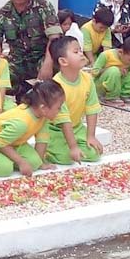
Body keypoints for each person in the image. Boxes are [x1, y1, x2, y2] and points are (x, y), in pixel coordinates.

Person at [0, 0, 62, 88]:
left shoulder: (44, 7)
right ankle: (21, 92)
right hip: (16, 62)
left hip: (42, 58)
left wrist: (47, 65)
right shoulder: (2, 14)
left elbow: (55, 38)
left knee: (57, 74)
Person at [0, 80, 64, 177]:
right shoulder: (22, 123)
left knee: (35, 163)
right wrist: (21, 162)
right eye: (58, 107)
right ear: (43, 108)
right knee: (5, 169)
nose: (60, 111)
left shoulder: (43, 116)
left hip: (14, 142)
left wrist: (41, 163)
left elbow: (42, 139)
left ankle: (10, 158)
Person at [47, 36, 103, 165]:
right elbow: (64, 119)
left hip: (76, 127)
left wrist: (91, 136)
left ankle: (72, 144)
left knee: (94, 154)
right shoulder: (57, 85)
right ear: (63, 61)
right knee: (66, 158)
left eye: (81, 50)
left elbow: (92, 109)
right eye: (76, 52)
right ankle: (48, 150)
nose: (81, 54)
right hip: (55, 129)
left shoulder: (87, 79)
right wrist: (73, 147)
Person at [92, 36, 130, 104]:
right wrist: (114, 69)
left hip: (118, 83)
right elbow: (94, 72)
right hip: (102, 85)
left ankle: (123, 95)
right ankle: (110, 97)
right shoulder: (106, 55)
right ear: (121, 52)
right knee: (114, 71)